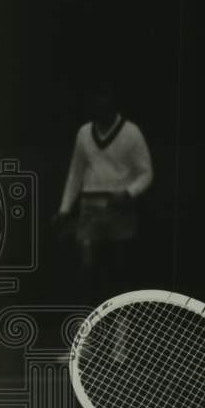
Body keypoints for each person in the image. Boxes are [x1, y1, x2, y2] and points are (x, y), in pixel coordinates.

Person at [54, 82, 153, 305]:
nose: (99, 103)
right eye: (94, 99)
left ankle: (120, 333)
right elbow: (75, 174)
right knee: (87, 272)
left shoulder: (131, 132)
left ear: (113, 101)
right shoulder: (84, 133)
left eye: (103, 97)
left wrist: (128, 193)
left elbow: (146, 173)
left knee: (119, 274)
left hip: (120, 211)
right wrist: (64, 209)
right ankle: (88, 330)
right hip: (89, 210)